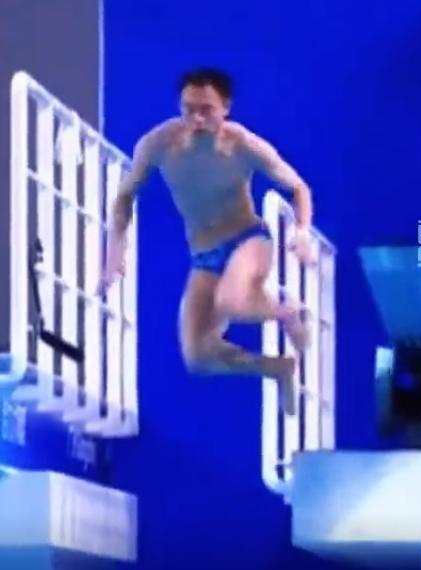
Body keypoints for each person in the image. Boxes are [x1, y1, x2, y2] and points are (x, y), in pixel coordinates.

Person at [99, 67, 314, 416]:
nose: (197, 120)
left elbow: (299, 187)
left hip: (247, 239)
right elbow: (124, 197)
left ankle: (286, 311)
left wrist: (301, 232)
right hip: (203, 256)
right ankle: (275, 367)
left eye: (207, 110)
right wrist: (114, 255)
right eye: (189, 109)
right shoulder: (159, 144)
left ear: (226, 107)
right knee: (197, 357)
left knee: (233, 301)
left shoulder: (242, 145)